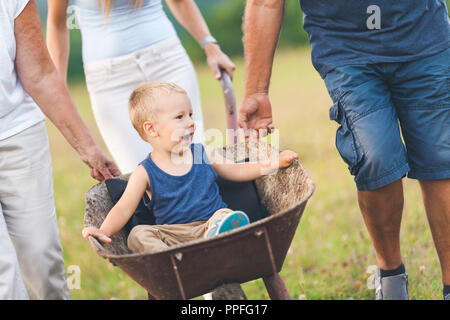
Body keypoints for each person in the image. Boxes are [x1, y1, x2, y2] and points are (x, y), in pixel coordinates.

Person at [240, 0, 450, 300]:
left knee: (442, 161)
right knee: (376, 157)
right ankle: (391, 279)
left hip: (423, 37)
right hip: (347, 50)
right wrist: (257, 90)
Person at [82, 82, 299, 253]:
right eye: (180, 117)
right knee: (138, 234)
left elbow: (238, 170)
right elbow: (123, 208)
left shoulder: (203, 153)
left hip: (211, 225)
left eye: (190, 115)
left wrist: (274, 163)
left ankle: (223, 236)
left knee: (225, 214)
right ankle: (168, 257)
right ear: (152, 129)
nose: (191, 123)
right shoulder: (145, 172)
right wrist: (103, 231)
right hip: (172, 236)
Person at [0, 0, 120, 299]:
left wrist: (88, 147)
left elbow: (40, 73)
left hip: (18, 132)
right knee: (4, 274)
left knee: (43, 257)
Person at [46, 0, 236, 174]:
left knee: (195, 161)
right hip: (110, 81)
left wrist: (211, 47)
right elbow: (57, 23)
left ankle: (213, 211)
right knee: (139, 172)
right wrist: (57, 87)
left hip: (168, 62)